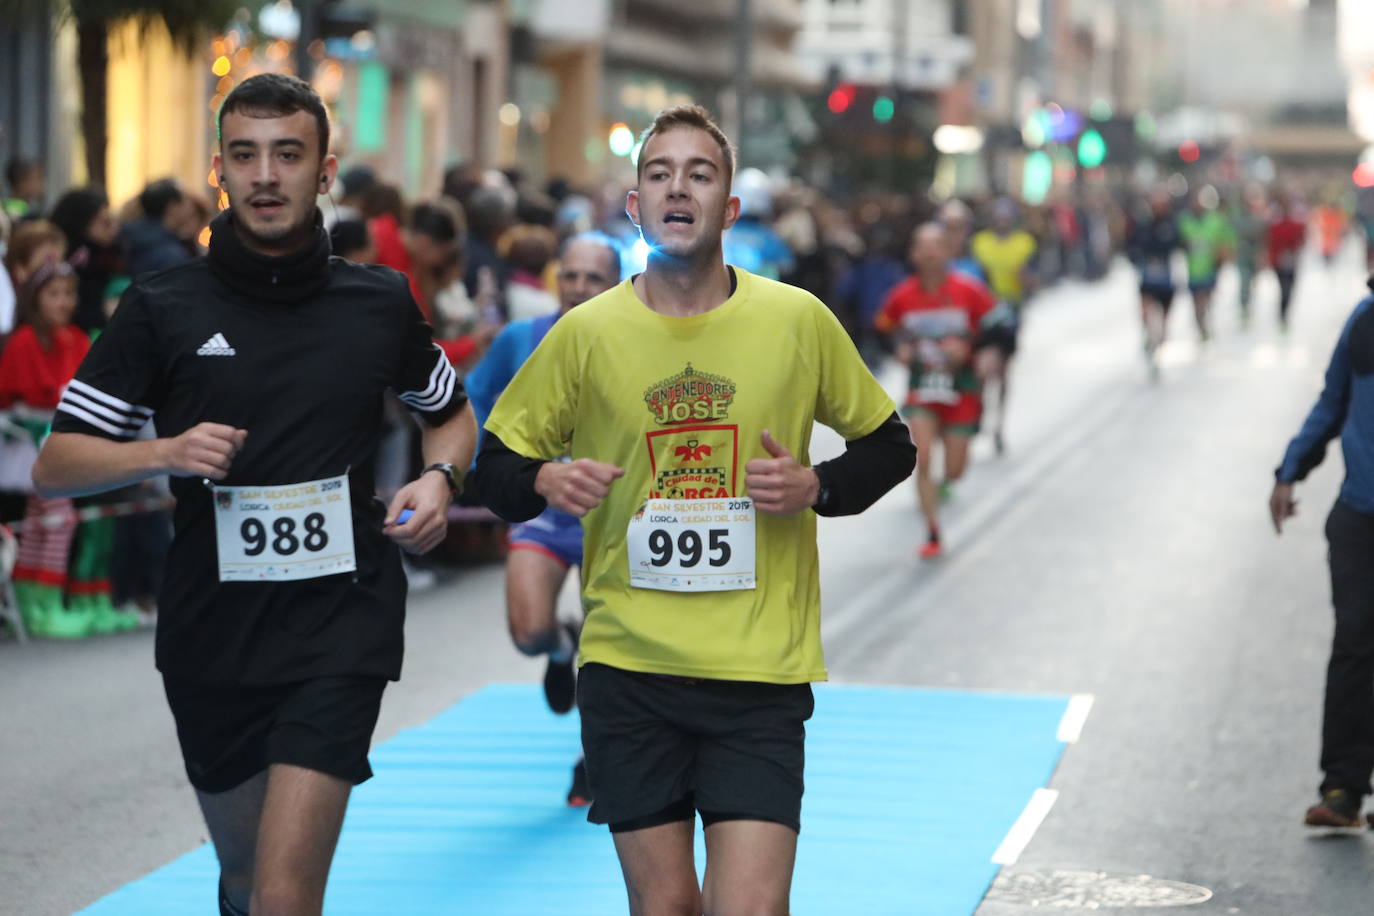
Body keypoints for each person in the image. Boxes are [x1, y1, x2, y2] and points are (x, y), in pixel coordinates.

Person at [31, 73, 476, 915]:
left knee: (283, 896)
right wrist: (163, 449)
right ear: (219, 171)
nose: (266, 174)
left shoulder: (378, 302)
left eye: (287, 154)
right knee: (243, 882)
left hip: (342, 621)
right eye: (246, 155)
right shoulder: (161, 306)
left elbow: (450, 416)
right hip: (214, 631)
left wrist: (439, 477)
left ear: (325, 170)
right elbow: (57, 462)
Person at [470, 105, 914, 915]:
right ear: (634, 205)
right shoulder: (585, 334)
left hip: (758, 672)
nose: (679, 187)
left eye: (700, 174)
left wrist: (818, 486)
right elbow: (492, 463)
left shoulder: (796, 321)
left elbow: (891, 446)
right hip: (629, 667)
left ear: (729, 209)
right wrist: (542, 482)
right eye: (659, 173)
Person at [464, 232, 620, 806]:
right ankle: (560, 651)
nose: (579, 288)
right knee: (528, 631)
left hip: (613, 521)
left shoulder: (636, 342)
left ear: (617, 283)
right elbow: (475, 405)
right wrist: (481, 470)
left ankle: (592, 757)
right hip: (542, 511)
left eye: (594, 278)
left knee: (610, 662)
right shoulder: (519, 340)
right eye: (571, 275)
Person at [1270, 280, 1374, 829]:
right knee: (1355, 646)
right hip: (1361, 513)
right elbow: (1333, 401)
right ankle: (1343, 789)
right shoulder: (1365, 319)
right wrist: (1290, 470)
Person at [877, 223, 996, 559]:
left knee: (955, 471)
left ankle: (946, 480)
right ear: (913, 254)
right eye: (922, 247)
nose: (929, 253)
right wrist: (899, 349)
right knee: (922, 455)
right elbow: (884, 328)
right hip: (924, 390)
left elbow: (998, 328)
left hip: (962, 390)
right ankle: (932, 531)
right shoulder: (902, 295)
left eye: (936, 246)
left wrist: (976, 351)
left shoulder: (969, 290)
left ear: (948, 251)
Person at [0, 262, 91, 637]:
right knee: (57, 520)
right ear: (35, 299)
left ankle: (36, 601)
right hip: (26, 442)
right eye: (54, 293)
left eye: (69, 293)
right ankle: (41, 602)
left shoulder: (74, 337)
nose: (64, 302)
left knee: (46, 522)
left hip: (59, 440)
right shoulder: (25, 341)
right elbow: (18, 396)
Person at [970, 198, 1036, 454]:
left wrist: (1025, 278)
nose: (1002, 221)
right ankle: (980, 410)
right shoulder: (980, 243)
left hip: (1011, 310)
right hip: (983, 310)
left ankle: (999, 425)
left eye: (1006, 217)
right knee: (983, 367)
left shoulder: (1024, 243)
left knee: (1004, 371)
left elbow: (1033, 279)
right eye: (998, 217)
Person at [48, 186, 121, 333]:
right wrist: (103, 312)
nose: (114, 229)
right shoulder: (69, 261)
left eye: (113, 221)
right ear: (83, 224)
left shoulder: (109, 254)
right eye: (105, 223)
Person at [1128, 189, 1184, 381]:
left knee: (1164, 317)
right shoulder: (1143, 225)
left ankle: (1159, 343)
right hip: (1148, 277)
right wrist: (1136, 259)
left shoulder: (1172, 225)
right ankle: (1147, 336)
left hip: (1166, 280)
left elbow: (1180, 244)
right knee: (1145, 308)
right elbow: (1132, 245)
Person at [1176, 185, 1235, 344]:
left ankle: (1206, 321)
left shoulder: (1216, 220)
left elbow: (1227, 239)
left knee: (1206, 298)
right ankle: (1200, 327)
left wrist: (1224, 255)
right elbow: (1179, 241)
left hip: (1211, 268)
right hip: (1193, 270)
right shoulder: (1185, 220)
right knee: (1197, 301)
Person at [121, 178, 197, 277]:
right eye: (183, 202)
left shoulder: (126, 236)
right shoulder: (172, 254)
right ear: (172, 207)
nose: (189, 209)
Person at [1267, 195, 1307, 334]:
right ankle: (1282, 315)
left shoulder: (1295, 225)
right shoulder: (1275, 226)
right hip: (1279, 263)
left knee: (1289, 290)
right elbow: (1270, 243)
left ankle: (1285, 313)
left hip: (1291, 262)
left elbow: (1302, 239)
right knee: (1283, 289)